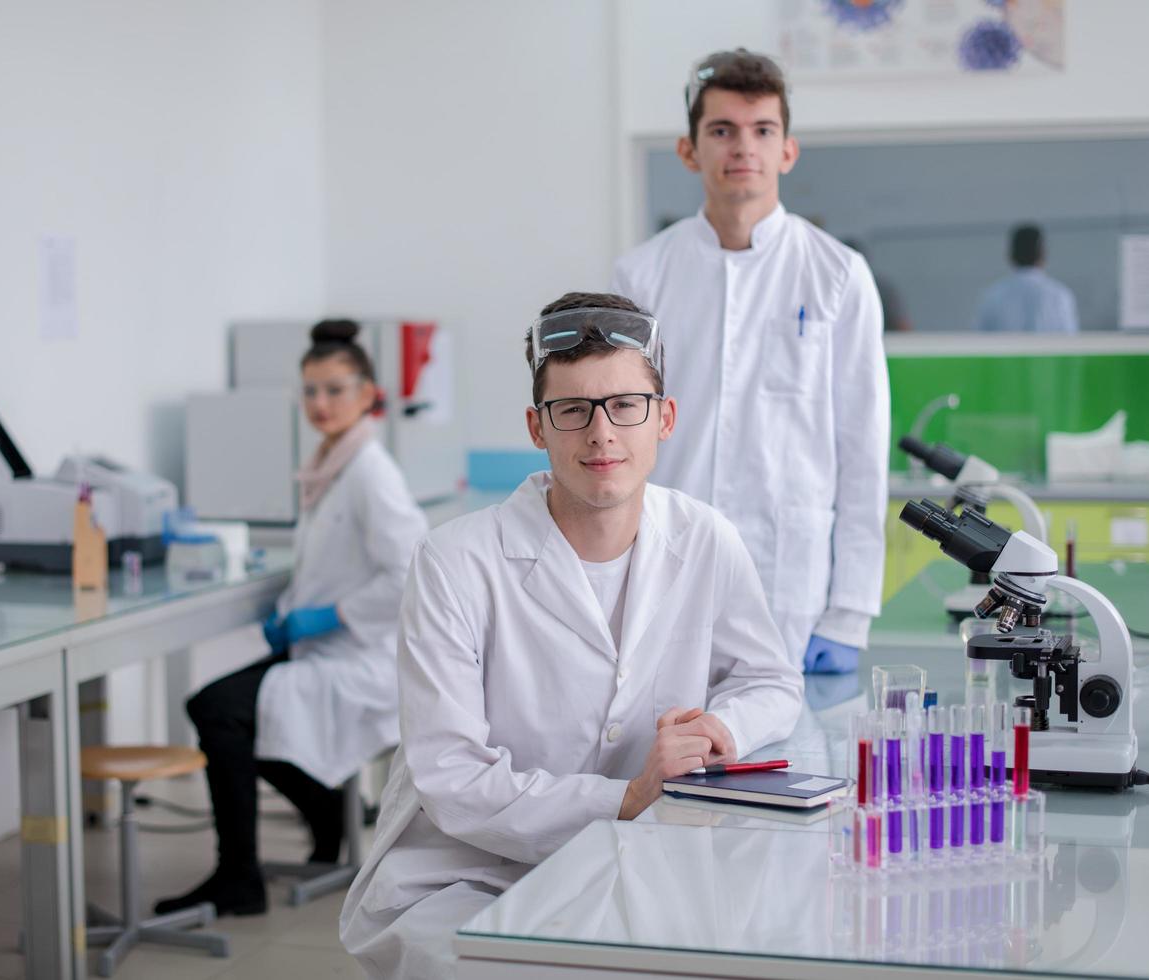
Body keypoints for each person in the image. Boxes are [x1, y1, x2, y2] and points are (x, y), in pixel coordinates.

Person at [339, 293, 805, 979]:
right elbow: (452, 779)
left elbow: (769, 681)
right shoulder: (455, 561)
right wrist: (626, 797)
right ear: (537, 426)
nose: (601, 433)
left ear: (664, 417)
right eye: (572, 410)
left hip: (636, 859)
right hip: (465, 875)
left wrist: (715, 732)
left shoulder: (704, 537)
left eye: (624, 405)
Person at [612, 49, 889, 675]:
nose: (744, 147)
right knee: (660, 756)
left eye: (763, 130)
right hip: (663, 567)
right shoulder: (643, 275)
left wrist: (850, 611)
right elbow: (624, 426)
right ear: (690, 150)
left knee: (785, 760)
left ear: (787, 150)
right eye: (722, 130)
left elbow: (863, 450)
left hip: (788, 582)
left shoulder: (837, 275)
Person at [156, 319, 428, 916]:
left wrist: (327, 615)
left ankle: (242, 876)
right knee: (231, 707)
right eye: (310, 391)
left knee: (219, 709)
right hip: (328, 646)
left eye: (335, 390)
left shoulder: (370, 472)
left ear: (366, 393)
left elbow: (411, 571)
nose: (320, 403)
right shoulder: (332, 462)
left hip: (362, 657)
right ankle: (325, 814)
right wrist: (294, 614)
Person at [972, 224, 1080, 333]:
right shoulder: (1060, 295)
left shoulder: (994, 295)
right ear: (1043, 254)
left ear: (1011, 255)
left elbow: (979, 339)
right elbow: (1069, 340)